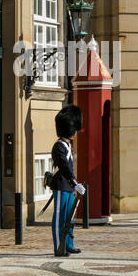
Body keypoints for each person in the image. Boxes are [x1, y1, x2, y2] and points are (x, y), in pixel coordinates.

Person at [51, 104, 86, 256]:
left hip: (69, 186)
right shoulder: (59, 146)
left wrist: (74, 184)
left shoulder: (67, 145)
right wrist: (74, 182)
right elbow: (64, 167)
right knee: (59, 218)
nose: (74, 133)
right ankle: (59, 246)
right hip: (61, 185)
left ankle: (68, 243)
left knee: (69, 217)